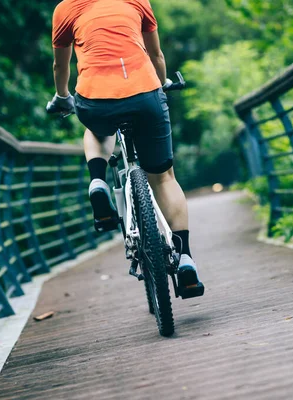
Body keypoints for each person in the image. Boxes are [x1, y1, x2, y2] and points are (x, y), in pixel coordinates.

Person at [46, 0, 203, 298]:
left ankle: (97, 180)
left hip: (95, 99)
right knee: (164, 177)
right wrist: (164, 82)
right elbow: (155, 53)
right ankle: (185, 259)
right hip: (145, 94)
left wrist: (63, 96)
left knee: (96, 130)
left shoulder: (65, 9)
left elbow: (60, 65)